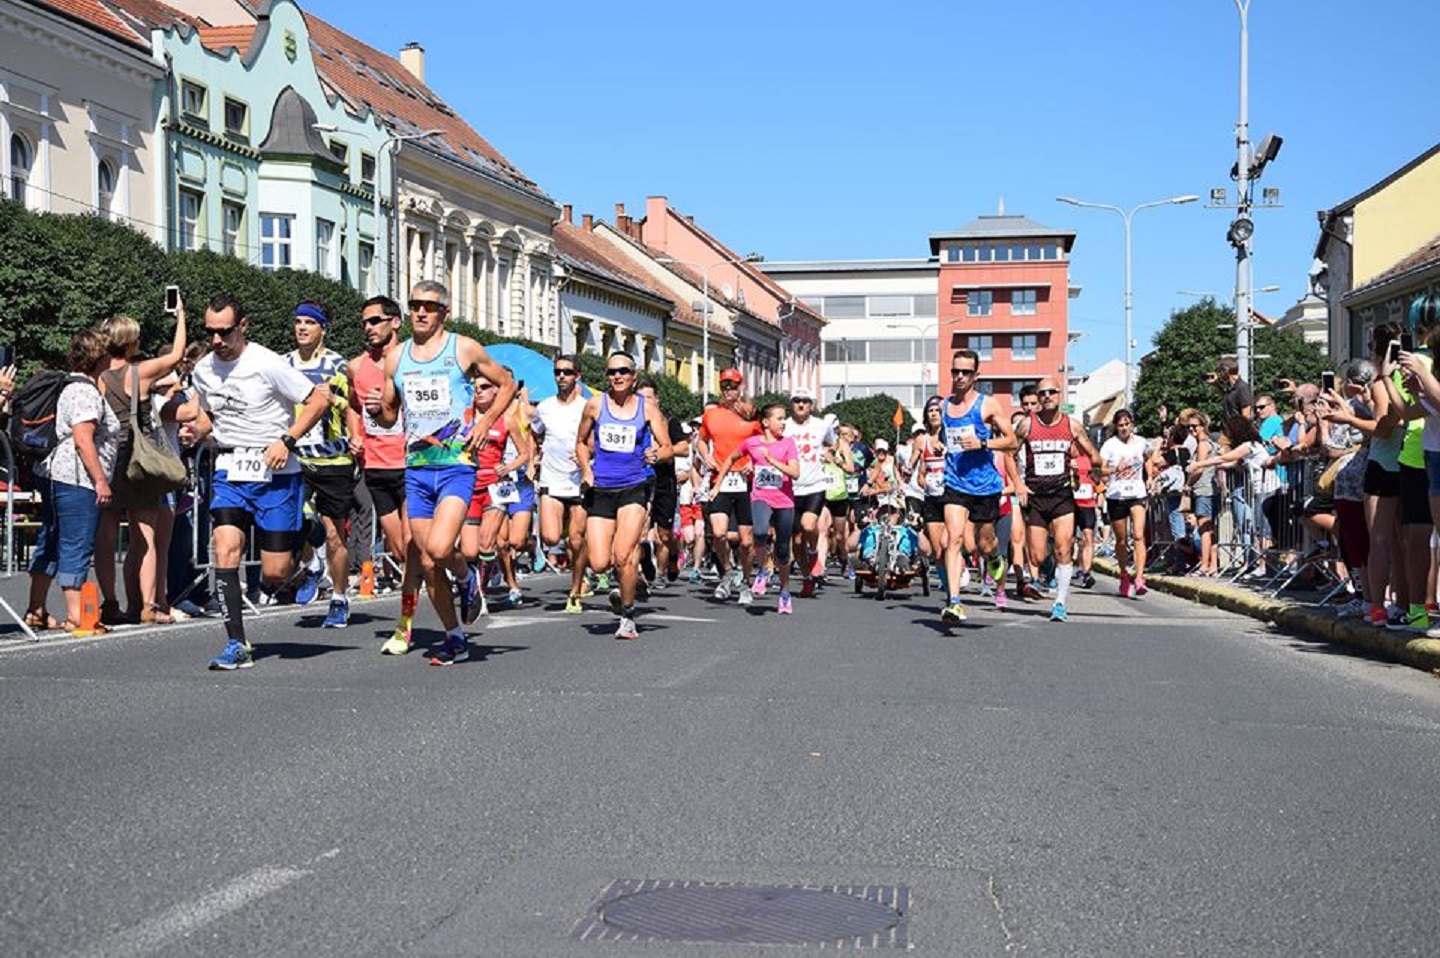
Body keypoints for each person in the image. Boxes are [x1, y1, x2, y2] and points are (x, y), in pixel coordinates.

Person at [363, 280, 516, 665]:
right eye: (414, 304)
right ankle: (454, 637)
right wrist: (375, 410)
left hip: (456, 465)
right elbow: (391, 413)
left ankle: (467, 579)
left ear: (444, 312)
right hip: (415, 468)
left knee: (439, 549)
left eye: (429, 306)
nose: (420, 312)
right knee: (429, 564)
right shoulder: (396, 358)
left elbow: (506, 383)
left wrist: (486, 422)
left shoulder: (462, 348)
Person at [181, 294, 329, 670]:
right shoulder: (203, 370)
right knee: (225, 547)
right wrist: (198, 429)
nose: (217, 340)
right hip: (231, 468)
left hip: (276, 471)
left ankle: (307, 533)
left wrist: (287, 440)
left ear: (242, 327)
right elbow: (209, 415)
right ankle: (237, 643)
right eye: (210, 332)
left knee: (275, 573)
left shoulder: (267, 363)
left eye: (225, 332)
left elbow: (316, 402)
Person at [94, 303, 187, 626]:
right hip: (139, 458)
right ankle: (147, 605)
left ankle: (111, 602)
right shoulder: (140, 371)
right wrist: (181, 317)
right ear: (131, 342)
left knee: (106, 537)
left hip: (109, 458)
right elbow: (176, 355)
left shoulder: (101, 377)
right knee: (143, 535)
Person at [24, 329, 119, 633]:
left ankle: (36, 609)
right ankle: (78, 616)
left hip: (56, 475)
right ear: (100, 357)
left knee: (51, 541)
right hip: (77, 479)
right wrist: (101, 480)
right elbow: (83, 439)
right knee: (76, 543)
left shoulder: (70, 385)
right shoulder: (85, 392)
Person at [575, 351, 671, 639]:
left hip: (634, 487)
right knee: (600, 562)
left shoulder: (647, 410)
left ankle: (628, 616)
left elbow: (668, 447)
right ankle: (630, 579)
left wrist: (657, 453)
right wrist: (585, 470)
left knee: (621, 556)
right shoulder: (595, 405)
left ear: (634, 377)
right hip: (601, 488)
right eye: (611, 372)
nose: (617, 376)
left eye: (623, 372)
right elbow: (580, 442)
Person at [348, 295, 422, 653]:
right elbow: (352, 404)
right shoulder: (355, 367)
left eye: (375, 320)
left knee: (414, 544)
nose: (368, 328)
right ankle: (457, 576)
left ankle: (404, 626)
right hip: (376, 466)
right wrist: (355, 434)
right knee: (400, 550)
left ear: (395, 322)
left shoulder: (413, 360)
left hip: (411, 464)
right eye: (364, 322)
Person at [285, 300, 358, 628]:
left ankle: (339, 597)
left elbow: (353, 406)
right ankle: (311, 565)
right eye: (298, 322)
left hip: (333, 458)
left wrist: (336, 404)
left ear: (322, 329)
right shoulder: (283, 363)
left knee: (334, 534)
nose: (302, 328)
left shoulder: (338, 365)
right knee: (292, 521)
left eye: (309, 323)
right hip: (295, 457)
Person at [938, 348, 1018, 624]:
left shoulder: (988, 405)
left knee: (984, 544)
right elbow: (946, 437)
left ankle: (994, 558)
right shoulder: (944, 406)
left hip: (985, 486)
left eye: (965, 372)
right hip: (955, 482)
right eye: (955, 371)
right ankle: (955, 602)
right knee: (954, 539)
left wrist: (983, 443)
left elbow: (1011, 441)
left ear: (976, 375)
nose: (959, 377)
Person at [1013, 377, 1099, 622]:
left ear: (1059, 395)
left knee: (1064, 548)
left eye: (1052, 392)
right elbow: (1010, 454)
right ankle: (1047, 570)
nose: (1047, 396)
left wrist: (1094, 471)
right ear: (1038, 398)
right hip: (1036, 497)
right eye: (1043, 393)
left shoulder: (1071, 426)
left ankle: (1060, 602)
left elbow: (1093, 455)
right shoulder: (1027, 425)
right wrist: (1018, 484)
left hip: (1062, 495)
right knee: (1037, 557)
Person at [460, 368, 530, 616]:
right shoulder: (464, 416)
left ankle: (480, 595)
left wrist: (508, 467)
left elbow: (525, 454)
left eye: (485, 387)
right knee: (469, 550)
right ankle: (469, 584)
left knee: (487, 544)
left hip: (495, 486)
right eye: (476, 387)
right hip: (468, 484)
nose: (479, 392)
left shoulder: (507, 420)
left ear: (497, 392)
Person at [698, 368, 760, 603]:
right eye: (725, 386)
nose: (729, 390)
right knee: (719, 533)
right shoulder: (711, 414)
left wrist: (753, 463)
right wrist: (706, 456)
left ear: (740, 387)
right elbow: (701, 441)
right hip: (720, 480)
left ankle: (745, 581)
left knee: (745, 542)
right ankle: (726, 573)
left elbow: (763, 444)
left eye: (733, 386)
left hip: (745, 482)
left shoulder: (750, 414)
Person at [782, 387, 837, 598]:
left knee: (808, 525)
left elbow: (833, 443)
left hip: (815, 485)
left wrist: (827, 452)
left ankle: (814, 551)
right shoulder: (784, 426)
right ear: (792, 404)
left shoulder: (821, 425)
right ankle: (807, 578)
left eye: (805, 401)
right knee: (795, 542)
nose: (801, 404)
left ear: (811, 405)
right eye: (797, 401)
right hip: (790, 488)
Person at [637, 379, 691, 587]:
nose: (645, 403)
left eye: (648, 398)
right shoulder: (633, 421)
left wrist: (660, 453)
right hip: (640, 480)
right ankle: (646, 566)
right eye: (640, 398)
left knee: (664, 535)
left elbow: (684, 448)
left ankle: (672, 556)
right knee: (640, 528)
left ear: (657, 400)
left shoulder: (668, 421)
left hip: (664, 482)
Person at [1100, 409, 1152, 598]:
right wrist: (1115, 468)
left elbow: (1148, 458)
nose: (1124, 428)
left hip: (1137, 493)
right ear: (1116, 426)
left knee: (1138, 535)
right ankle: (1123, 574)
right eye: (1120, 425)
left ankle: (1139, 578)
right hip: (1117, 495)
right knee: (1121, 540)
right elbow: (1101, 470)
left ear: (1132, 424)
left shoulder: (1141, 442)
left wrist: (1150, 477)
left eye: (1126, 424)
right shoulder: (1109, 445)